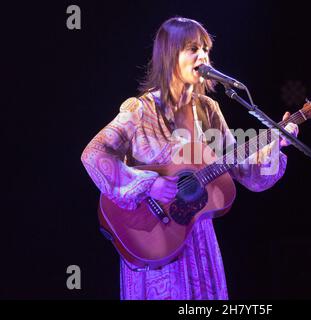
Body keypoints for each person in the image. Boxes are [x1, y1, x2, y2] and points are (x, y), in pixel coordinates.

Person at [81, 16, 299, 300]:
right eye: (193, 49)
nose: (203, 56)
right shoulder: (141, 110)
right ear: (170, 55)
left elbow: (243, 170)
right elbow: (94, 155)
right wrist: (149, 184)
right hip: (154, 242)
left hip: (197, 240)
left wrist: (275, 143)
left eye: (205, 49)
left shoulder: (208, 110)